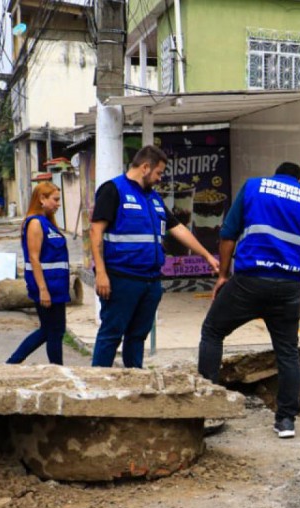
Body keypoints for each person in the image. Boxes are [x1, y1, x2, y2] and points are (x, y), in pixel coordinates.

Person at [197, 162, 300, 439]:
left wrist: (222, 275)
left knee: (213, 331)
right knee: (287, 351)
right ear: (299, 180)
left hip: (249, 282)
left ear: (276, 175)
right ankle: (286, 421)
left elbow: (228, 234)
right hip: (288, 288)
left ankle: (207, 409)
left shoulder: (253, 186)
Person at [89, 145, 221, 368]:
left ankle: (134, 384)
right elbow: (95, 232)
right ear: (145, 167)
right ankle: (94, 387)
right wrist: (101, 273)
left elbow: (178, 229)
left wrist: (207, 255)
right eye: (159, 173)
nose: (160, 178)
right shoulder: (113, 190)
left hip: (150, 281)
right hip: (122, 278)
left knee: (138, 336)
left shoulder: (154, 198)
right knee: (111, 335)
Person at [7, 182, 70, 365]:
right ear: (42, 199)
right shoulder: (35, 223)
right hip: (46, 286)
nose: (58, 204)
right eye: (55, 200)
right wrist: (43, 289)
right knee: (52, 330)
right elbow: (34, 258)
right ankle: (15, 362)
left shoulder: (48, 223)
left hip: (57, 286)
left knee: (53, 330)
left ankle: (16, 362)